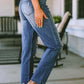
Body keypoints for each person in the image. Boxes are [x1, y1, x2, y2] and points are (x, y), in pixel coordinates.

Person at [19, 0, 62, 84]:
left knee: (28, 50)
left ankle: (26, 82)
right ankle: (35, 81)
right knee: (55, 46)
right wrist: (37, 8)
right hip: (35, 4)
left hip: (24, 5)